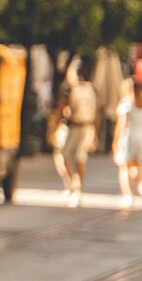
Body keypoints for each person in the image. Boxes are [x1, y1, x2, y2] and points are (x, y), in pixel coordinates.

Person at [53, 59, 100, 207]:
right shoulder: (90, 89)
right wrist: (95, 133)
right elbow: (96, 113)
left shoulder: (69, 89)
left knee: (61, 155)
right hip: (86, 127)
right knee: (80, 158)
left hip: (72, 127)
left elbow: (61, 109)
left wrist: (54, 128)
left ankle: (70, 185)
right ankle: (78, 189)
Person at [112, 78, 142, 208]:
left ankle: (128, 195)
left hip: (129, 136)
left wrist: (115, 141)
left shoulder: (127, 103)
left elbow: (121, 125)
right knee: (139, 165)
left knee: (125, 167)